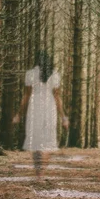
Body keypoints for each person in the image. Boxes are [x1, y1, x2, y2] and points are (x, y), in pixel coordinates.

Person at [13, 50, 69, 178]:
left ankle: (38, 173)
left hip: (35, 107)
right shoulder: (55, 74)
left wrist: (19, 114)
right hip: (50, 107)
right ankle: (42, 173)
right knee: (48, 141)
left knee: (35, 140)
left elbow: (26, 96)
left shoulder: (30, 74)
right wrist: (63, 117)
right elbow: (57, 98)